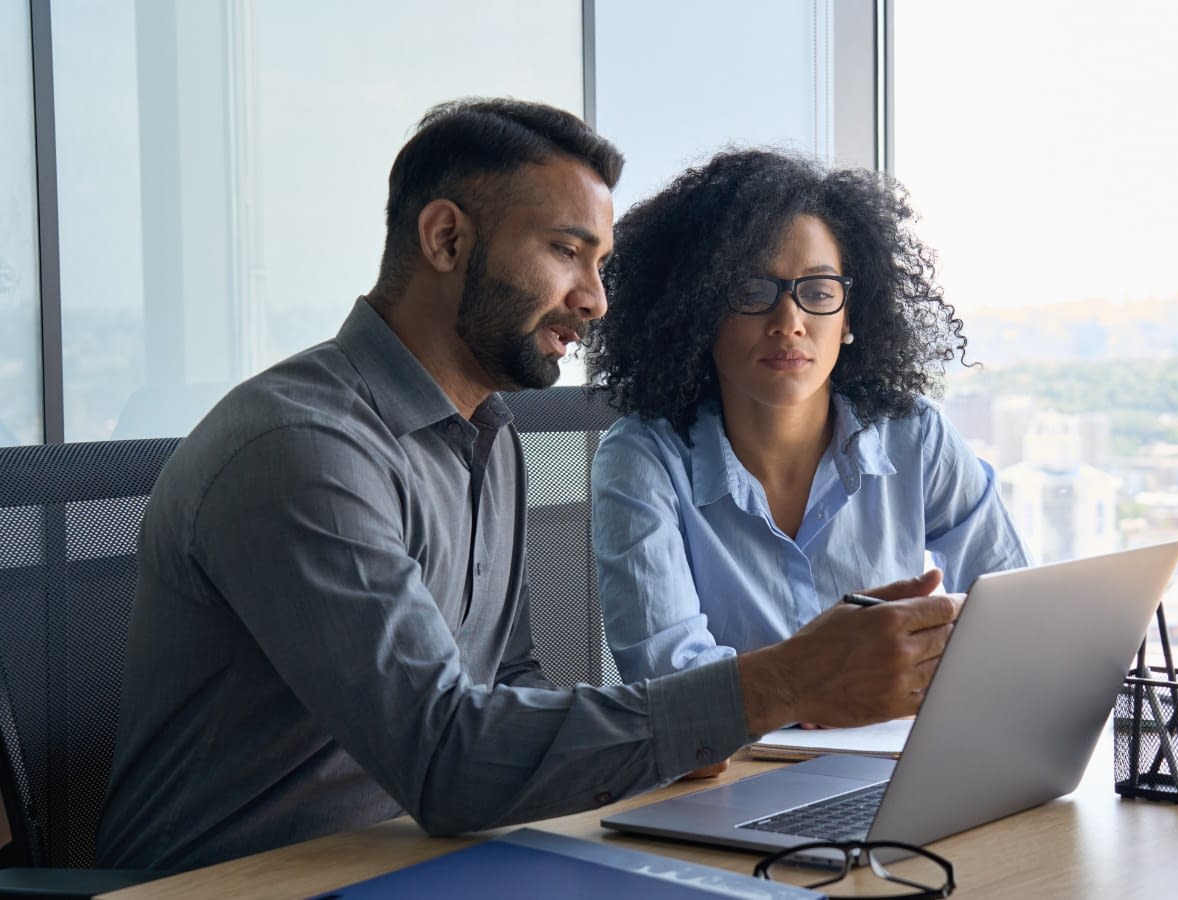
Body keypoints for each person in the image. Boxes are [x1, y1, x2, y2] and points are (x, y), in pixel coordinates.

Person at [94, 99, 960, 872]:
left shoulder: (489, 435)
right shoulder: (302, 450)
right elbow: (445, 759)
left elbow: (507, 681)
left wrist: (678, 729)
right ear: (446, 239)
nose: (595, 301)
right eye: (565, 253)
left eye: (601, 262)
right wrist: (773, 686)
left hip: (428, 859)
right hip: (253, 880)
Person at [585, 149, 1030, 694]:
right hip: (734, 770)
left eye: (818, 293)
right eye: (752, 291)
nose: (789, 322)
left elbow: (1013, 608)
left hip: (893, 756)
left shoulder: (914, 435)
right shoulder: (642, 459)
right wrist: (826, 687)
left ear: (849, 318)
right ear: (700, 312)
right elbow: (671, 681)